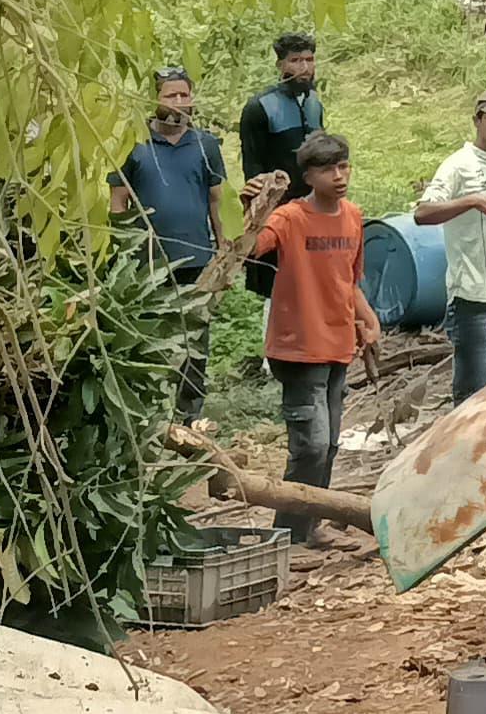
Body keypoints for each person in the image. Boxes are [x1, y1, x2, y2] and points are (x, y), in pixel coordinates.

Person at [243, 134, 377, 492]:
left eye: (343, 166)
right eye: (327, 169)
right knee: (310, 447)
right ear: (308, 177)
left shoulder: (353, 217)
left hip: (337, 345)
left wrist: (368, 318)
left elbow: (347, 279)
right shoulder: (289, 218)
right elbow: (249, 248)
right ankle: (293, 528)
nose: (339, 176)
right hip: (299, 348)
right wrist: (249, 209)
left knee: (330, 444)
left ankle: (310, 525)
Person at [110, 66, 224, 427]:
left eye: (183, 95)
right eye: (170, 95)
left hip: (197, 259)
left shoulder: (205, 145)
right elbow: (118, 201)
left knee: (195, 341)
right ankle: (149, 417)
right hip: (148, 266)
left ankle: (188, 418)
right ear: (153, 100)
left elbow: (216, 200)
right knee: (150, 340)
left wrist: (225, 251)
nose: (178, 102)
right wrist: (124, 250)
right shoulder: (135, 144)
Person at [416, 89, 486, 403]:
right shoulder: (459, 165)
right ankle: (462, 452)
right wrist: (471, 200)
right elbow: (422, 213)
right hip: (473, 297)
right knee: (473, 396)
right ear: (477, 120)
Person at [235, 30, 321, 197]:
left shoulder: (314, 102)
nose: (304, 68)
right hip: (278, 206)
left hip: (314, 203)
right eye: (295, 61)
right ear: (280, 65)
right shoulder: (260, 107)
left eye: (309, 60)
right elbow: (253, 166)